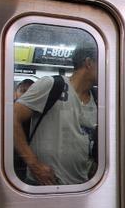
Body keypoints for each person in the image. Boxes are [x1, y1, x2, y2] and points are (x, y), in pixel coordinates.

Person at [13, 46, 98, 185]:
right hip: (45, 184)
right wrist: (34, 165)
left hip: (82, 186)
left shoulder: (97, 99)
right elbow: (12, 118)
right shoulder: (52, 85)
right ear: (88, 63)